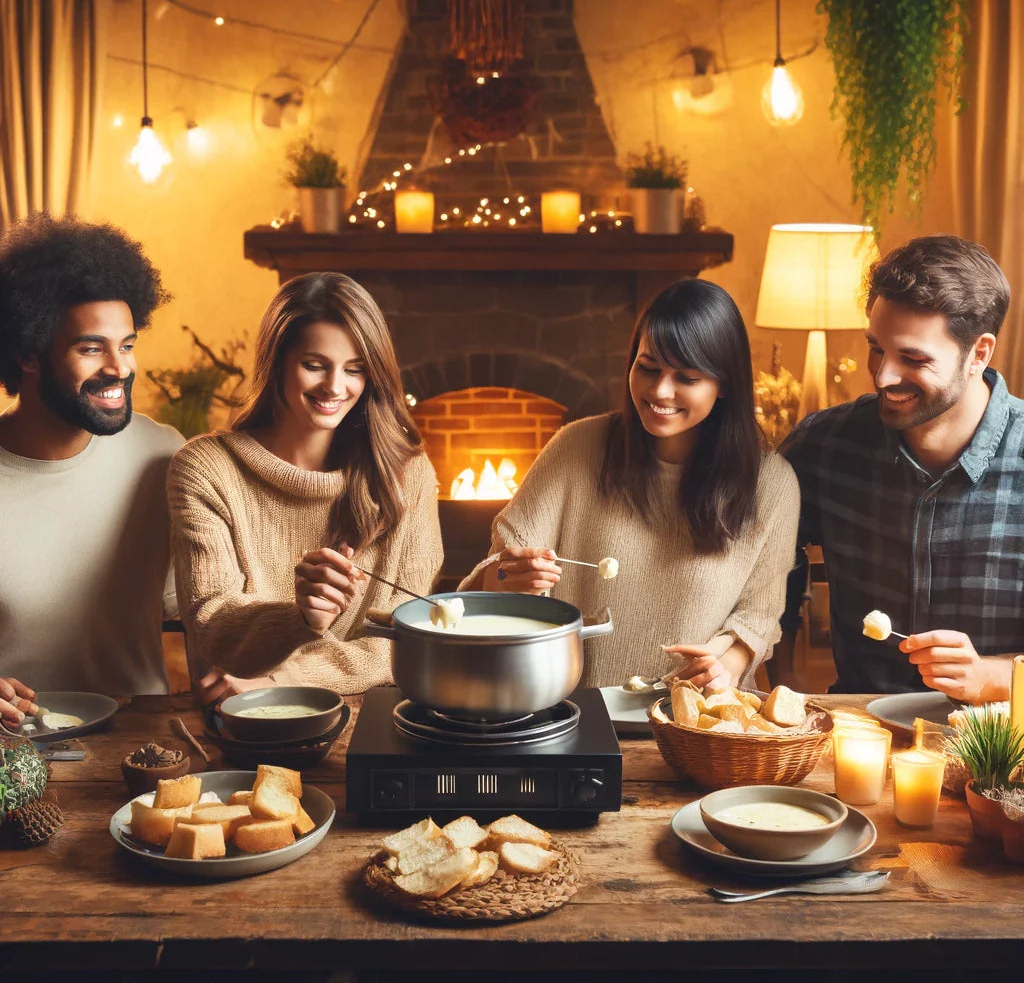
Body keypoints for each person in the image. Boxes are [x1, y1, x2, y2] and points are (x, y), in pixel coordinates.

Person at [463, 279, 800, 692]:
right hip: (566, 710)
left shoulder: (772, 485)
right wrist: (505, 578)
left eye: (687, 378)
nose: (660, 391)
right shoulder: (576, 447)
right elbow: (485, 583)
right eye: (648, 367)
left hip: (691, 722)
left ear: (724, 384)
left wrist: (724, 665)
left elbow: (759, 618)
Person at [167, 272, 443, 701]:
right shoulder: (207, 468)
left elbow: (402, 639)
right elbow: (210, 622)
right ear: (276, 362)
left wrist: (283, 681)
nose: (335, 387)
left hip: (370, 712)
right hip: (244, 713)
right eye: (314, 365)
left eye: (354, 370)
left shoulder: (409, 474)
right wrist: (298, 618)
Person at [780, 235, 1022, 702]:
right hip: (854, 733)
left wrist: (991, 677)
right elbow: (758, 564)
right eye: (877, 349)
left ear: (979, 354)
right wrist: (786, 682)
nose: (883, 376)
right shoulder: (825, 445)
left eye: (912, 359)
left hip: (1001, 755)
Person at [0, 214, 183, 728]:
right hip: (13, 759)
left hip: (143, 754)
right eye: (91, 348)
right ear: (29, 353)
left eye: (126, 345)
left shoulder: (164, 457)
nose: (120, 368)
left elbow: (211, 606)